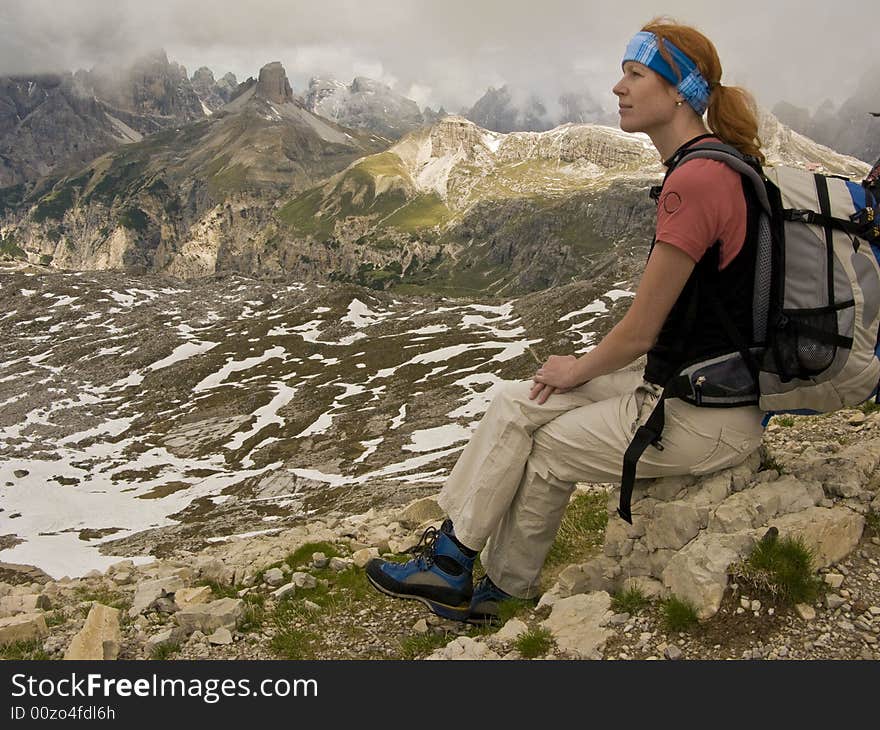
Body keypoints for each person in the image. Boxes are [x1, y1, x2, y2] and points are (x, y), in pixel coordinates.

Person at [366, 17, 767, 624]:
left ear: (679, 90)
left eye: (634, 74)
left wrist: (578, 367)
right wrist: (574, 376)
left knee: (546, 447)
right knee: (516, 400)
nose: (618, 88)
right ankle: (452, 560)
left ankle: (500, 588)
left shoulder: (696, 181)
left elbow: (640, 331)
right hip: (698, 389)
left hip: (702, 414)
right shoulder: (717, 165)